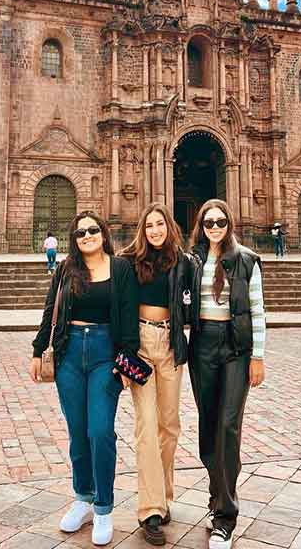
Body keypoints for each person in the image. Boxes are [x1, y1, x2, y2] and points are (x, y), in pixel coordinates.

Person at [29, 211, 139, 545]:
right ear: (74, 239)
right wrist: (38, 349)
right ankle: (83, 498)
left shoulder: (121, 268)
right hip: (70, 354)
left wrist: (127, 360)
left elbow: (130, 314)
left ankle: (104, 508)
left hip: (106, 354)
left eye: (92, 230)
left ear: (103, 234)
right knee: (78, 433)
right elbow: (51, 309)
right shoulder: (66, 268)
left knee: (100, 431)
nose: (87, 236)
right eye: (80, 232)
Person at [188, 199, 266, 549]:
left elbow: (257, 309)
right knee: (208, 426)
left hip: (236, 348)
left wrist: (258, 356)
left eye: (220, 221)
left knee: (229, 425)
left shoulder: (246, 260)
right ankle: (216, 493)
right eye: (209, 222)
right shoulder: (192, 261)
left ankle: (225, 516)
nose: (215, 227)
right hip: (202, 345)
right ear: (201, 226)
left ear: (229, 223)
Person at [120, 203, 196, 546]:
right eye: (149, 225)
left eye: (160, 224)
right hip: (140, 345)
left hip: (170, 345)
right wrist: (122, 355)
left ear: (169, 228)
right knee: (146, 427)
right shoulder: (128, 262)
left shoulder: (182, 262)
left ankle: (162, 495)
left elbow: (196, 304)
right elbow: (117, 309)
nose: (154, 230)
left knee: (170, 424)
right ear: (142, 229)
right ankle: (150, 508)